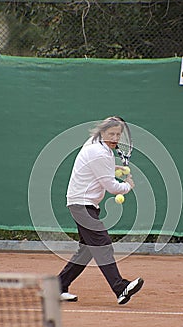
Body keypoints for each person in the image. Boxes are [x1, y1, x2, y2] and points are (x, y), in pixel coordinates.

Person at [58, 116, 144, 305]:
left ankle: (59, 286)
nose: (114, 138)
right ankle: (120, 288)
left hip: (85, 203)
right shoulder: (99, 153)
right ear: (101, 133)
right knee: (102, 243)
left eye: (118, 134)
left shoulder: (96, 146)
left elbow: (99, 169)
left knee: (87, 250)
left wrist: (114, 167)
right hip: (82, 204)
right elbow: (113, 187)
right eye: (110, 134)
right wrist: (128, 185)